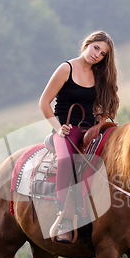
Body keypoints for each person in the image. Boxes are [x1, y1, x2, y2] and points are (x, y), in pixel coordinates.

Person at [39, 30, 119, 243]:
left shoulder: (99, 75)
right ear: (87, 44)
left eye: (102, 54)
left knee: (107, 163)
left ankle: (100, 213)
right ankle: (64, 217)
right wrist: (57, 128)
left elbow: (105, 102)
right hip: (67, 128)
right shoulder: (66, 68)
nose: (97, 55)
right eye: (96, 48)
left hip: (91, 129)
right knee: (67, 161)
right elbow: (44, 102)